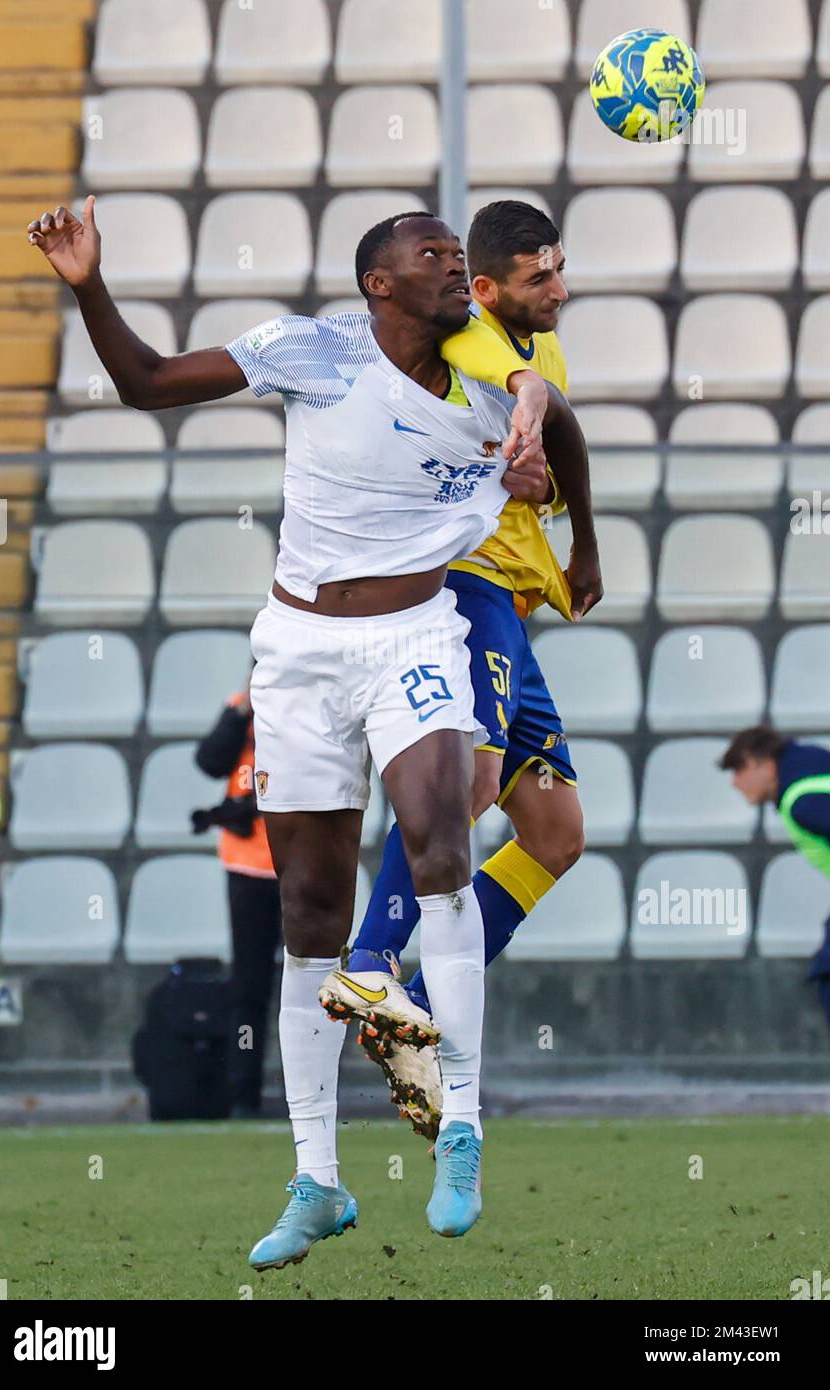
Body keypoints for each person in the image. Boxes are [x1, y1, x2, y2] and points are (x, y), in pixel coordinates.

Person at [26, 198, 573, 1266]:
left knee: (441, 847)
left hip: (419, 635)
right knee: (310, 916)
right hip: (298, 650)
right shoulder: (310, 350)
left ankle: (459, 1124)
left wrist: (544, 469)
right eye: (433, 255)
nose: (454, 267)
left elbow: (548, 439)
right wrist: (87, 281)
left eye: (461, 257)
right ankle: (316, 1178)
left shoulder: (479, 400)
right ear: (379, 282)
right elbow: (146, 386)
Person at [321, 201, 601, 1138]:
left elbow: (548, 449)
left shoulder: (539, 349)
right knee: (471, 778)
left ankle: (417, 1005)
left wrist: (568, 518)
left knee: (557, 834)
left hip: (515, 606)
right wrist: (504, 458)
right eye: (539, 278)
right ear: (484, 290)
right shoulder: (472, 340)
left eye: (561, 270)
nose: (559, 290)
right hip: (468, 588)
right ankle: (371, 965)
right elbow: (468, 429)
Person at [193, 687, 280, 1119]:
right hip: (247, 866)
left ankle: (319, 1091)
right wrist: (239, 712)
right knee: (249, 986)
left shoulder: (312, 696)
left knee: (318, 983)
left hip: (305, 862)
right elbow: (209, 762)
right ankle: (243, 1096)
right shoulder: (241, 705)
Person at [721, 725, 830, 1031]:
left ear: (764, 764)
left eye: (739, 769)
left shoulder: (803, 802)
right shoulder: (816, 765)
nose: (734, 782)